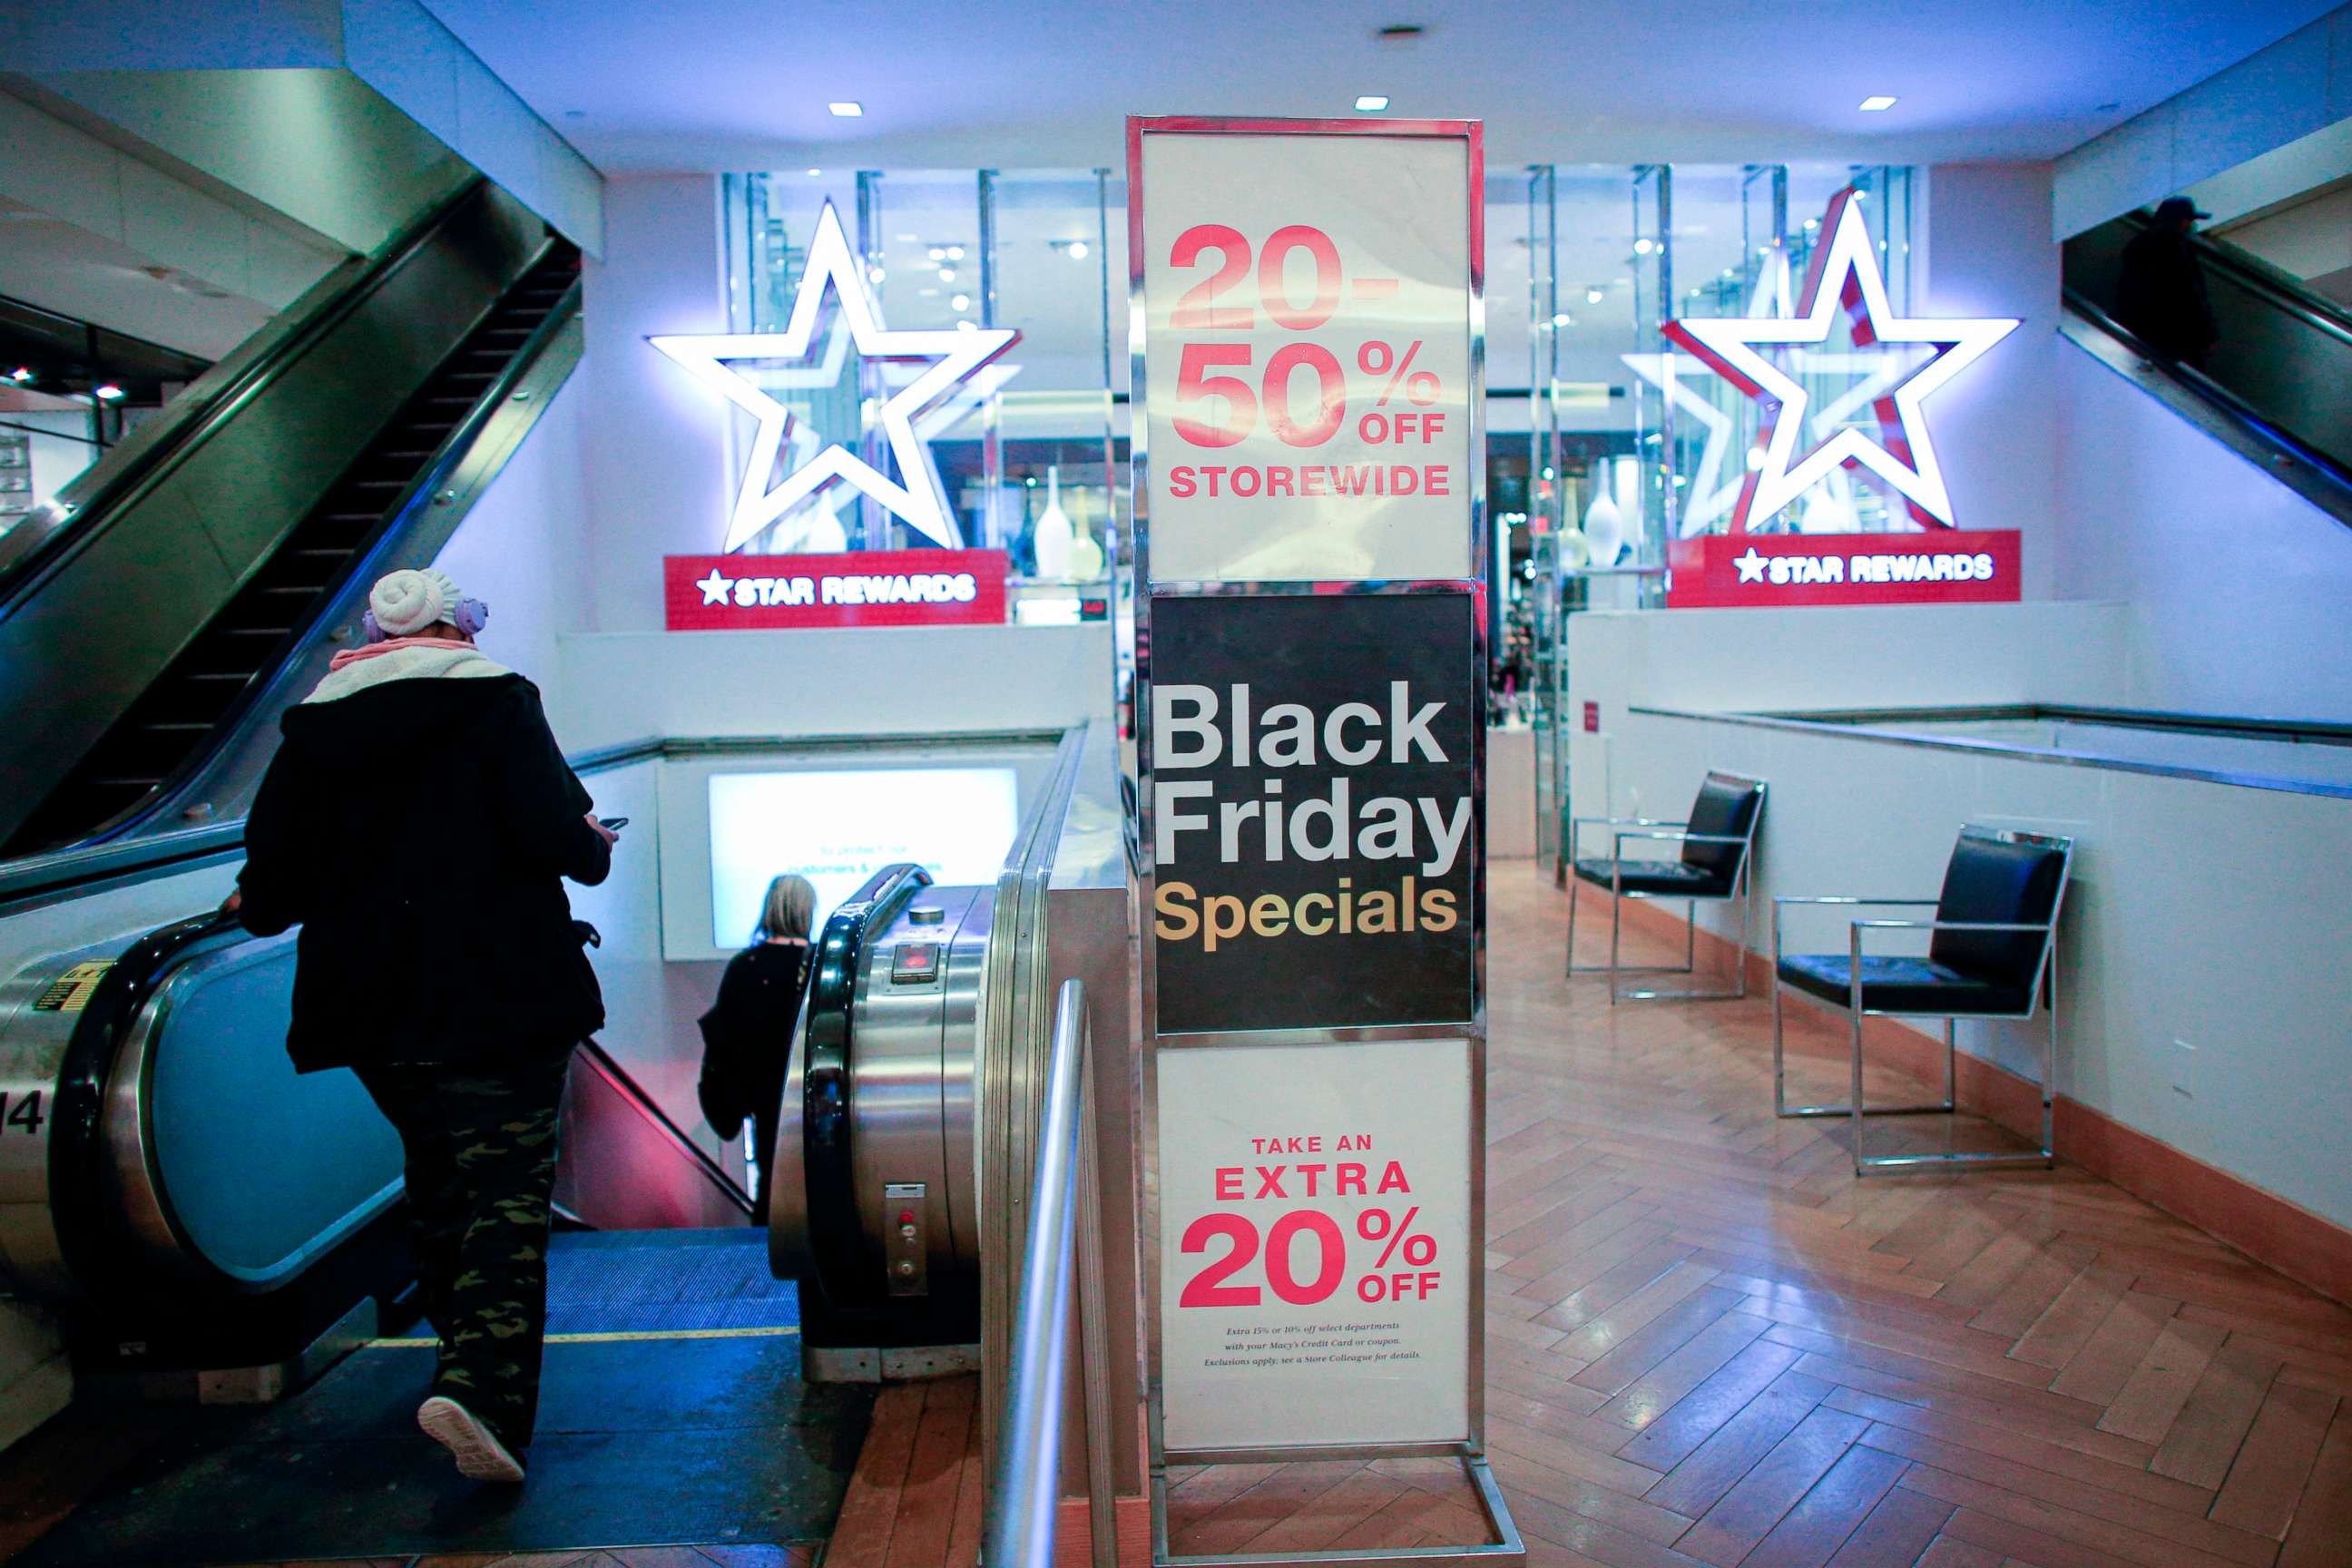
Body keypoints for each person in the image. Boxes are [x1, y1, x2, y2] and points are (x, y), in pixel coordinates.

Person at [230, 567, 615, 1485]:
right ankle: (478, 1390)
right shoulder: (498, 703)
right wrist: (590, 839)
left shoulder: (315, 726)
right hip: (501, 996)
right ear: (457, 629)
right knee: (507, 1197)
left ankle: (459, 1363)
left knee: (440, 1181)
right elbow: (568, 844)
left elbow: (269, 891)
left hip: (367, 1006)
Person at [698, 874, 818, 1221]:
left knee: (770, 1177)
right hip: (811, 1095)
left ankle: (762, 1257)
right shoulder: (821, 964)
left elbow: (724, 1037)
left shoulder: (744, 967)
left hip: (764, 1098)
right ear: (807, 911)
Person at [2114, 196, 2218, 369]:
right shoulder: (2177, 247)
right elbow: (2190, 295)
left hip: (2140, 329)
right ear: (2180, 221)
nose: (2190, 225)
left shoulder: (2139, 244)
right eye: (2189, 220)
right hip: (2176, 335)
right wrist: (2207, 335)